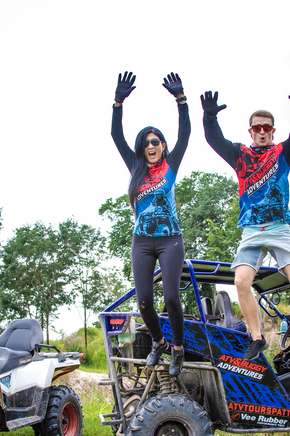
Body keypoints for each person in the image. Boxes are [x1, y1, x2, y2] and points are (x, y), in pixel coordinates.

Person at [201, 78, 290, 365]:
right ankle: (257, 338)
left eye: (267, 127)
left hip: (279, 227)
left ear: (272, 131)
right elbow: (214, 140)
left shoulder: (282, 154)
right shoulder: (240, 155)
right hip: (251, 229)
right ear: (251, 131)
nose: (262, 131)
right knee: (241, 281)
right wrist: (209, 116)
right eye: (257, 127)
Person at [111, 71, 191, 376]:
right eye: (147, 143)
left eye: (156, 141)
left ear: (163, 145)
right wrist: (118, 103)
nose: (152, 145)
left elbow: (186, 134)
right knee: (144, 300)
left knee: (171, 296)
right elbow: (115, 136)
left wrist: (181, 100)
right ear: (141, 149)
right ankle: (158, 341)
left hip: (171, 238)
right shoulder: (135, 167)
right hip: (142, 241)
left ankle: (178, 349)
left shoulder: (172, 164)